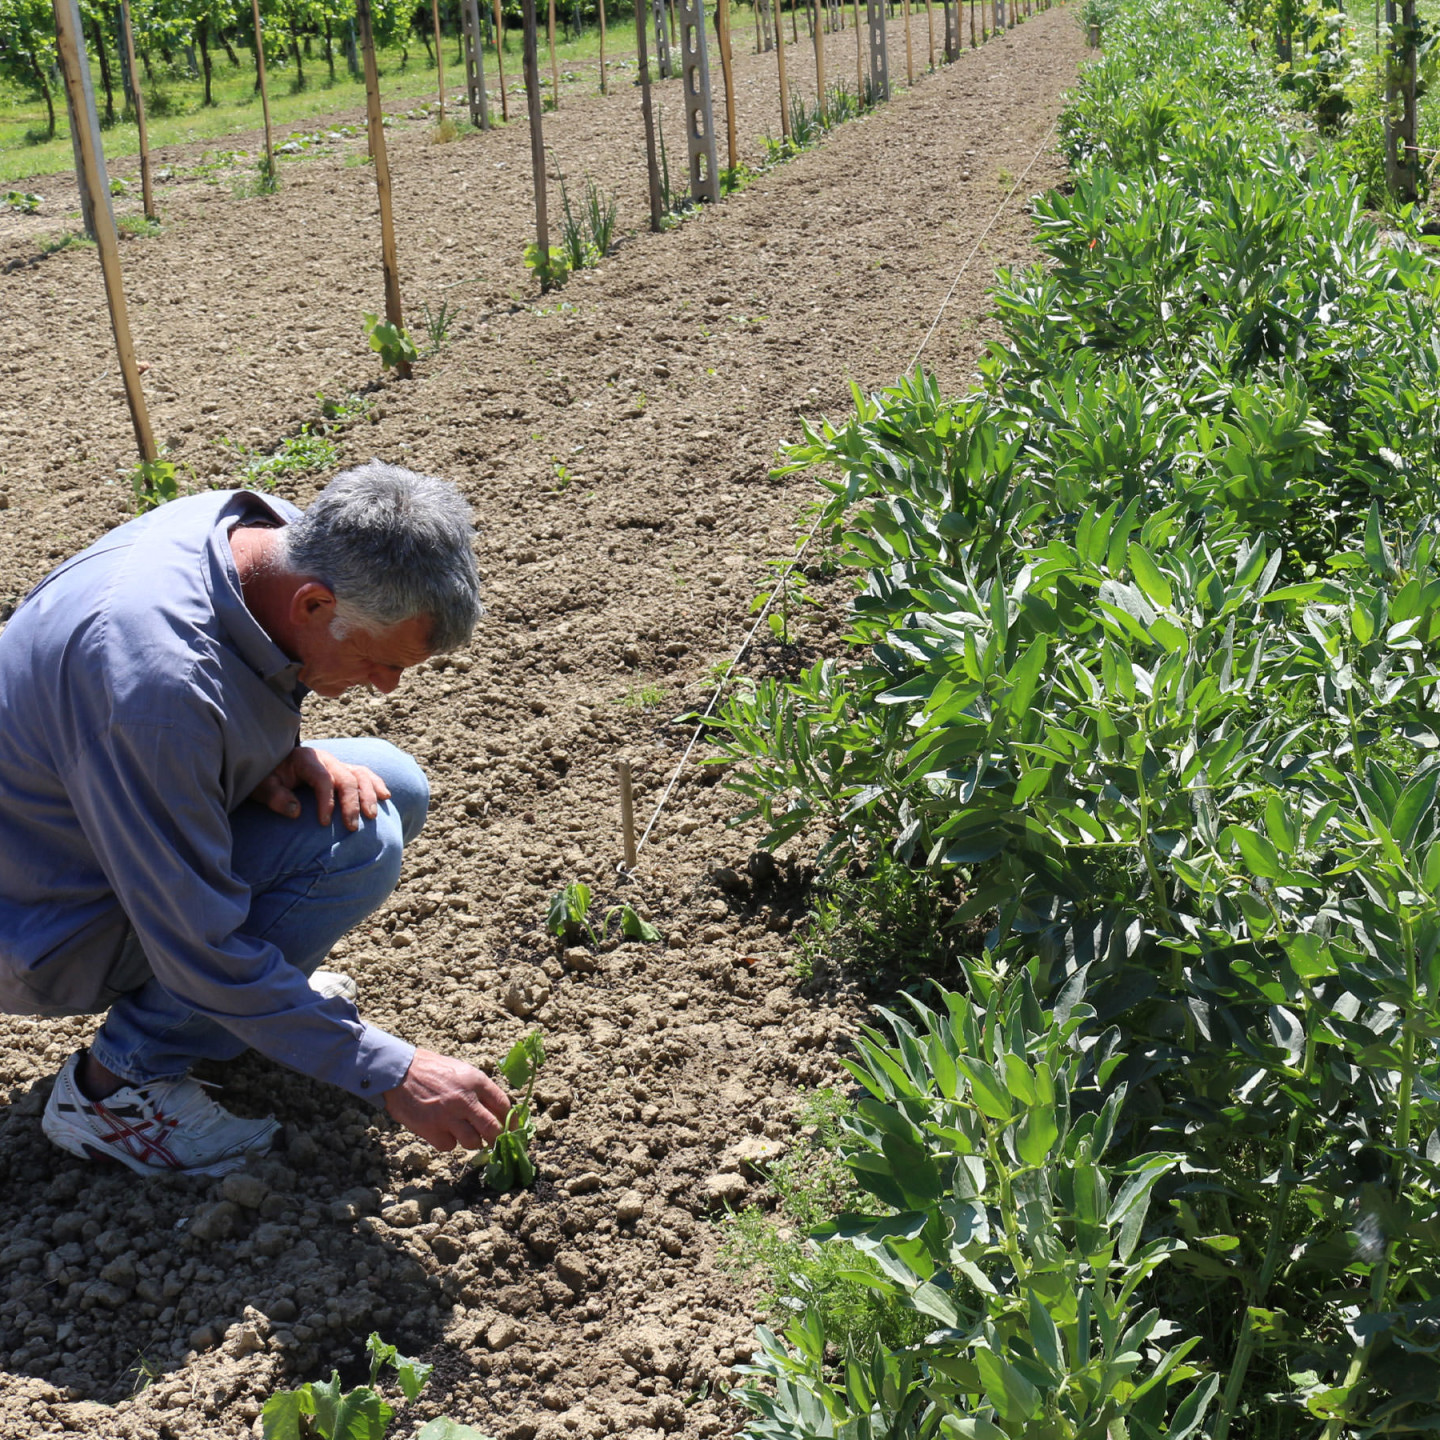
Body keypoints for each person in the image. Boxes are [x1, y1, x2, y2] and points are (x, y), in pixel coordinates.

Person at [0, 461, 510, 1177]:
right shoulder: (155, 689)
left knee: (387, 788)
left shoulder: (257, 536)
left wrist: (274, 751)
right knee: (355, 847)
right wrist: (390, 1070)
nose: (387, 686)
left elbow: (220, 698)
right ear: (312, 605)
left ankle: (248, 1015)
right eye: (379, 661)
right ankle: (115, 1090)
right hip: (38, 922)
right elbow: (193, 943)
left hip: (78, 826)